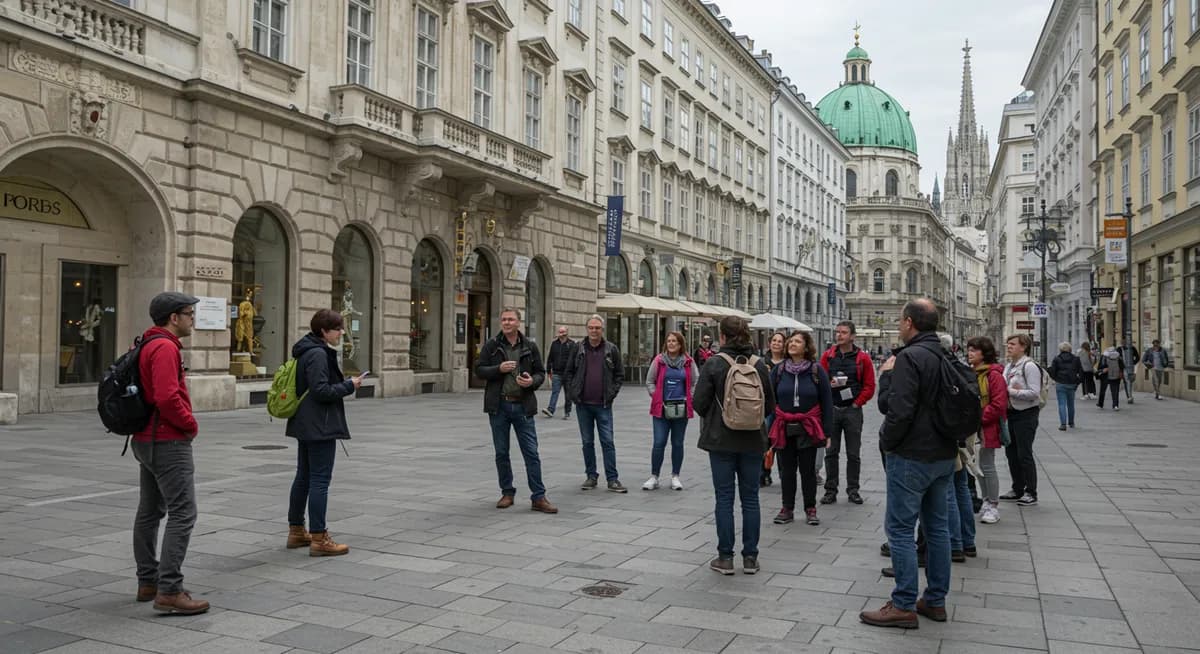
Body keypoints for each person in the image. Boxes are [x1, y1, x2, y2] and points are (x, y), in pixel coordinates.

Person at [860, 299, 956, 630]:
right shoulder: (946, 355)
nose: (900, 325)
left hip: (912, 454)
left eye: (902, 320)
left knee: (900, 529)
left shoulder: (908, 358)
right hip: (943, 454)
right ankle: (935, 600)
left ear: (909, 323)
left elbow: (894, 409)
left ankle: (902, 604)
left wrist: (888, 441)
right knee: (937, 528)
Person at [132, 292, 208, 615]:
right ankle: (169, 590)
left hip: (146, 438)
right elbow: (166, 397)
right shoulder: (165, 347)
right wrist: (189, 424)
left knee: (150, 511)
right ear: (173, 318)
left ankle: (148, 580)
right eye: (189, 314)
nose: (193, 319)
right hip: (167, 441)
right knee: (183, 513)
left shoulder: (147, 343)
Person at [694, 316, 776, 575]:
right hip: (753, 440)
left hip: (721, 440)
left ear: (722, 337)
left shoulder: (714, 364)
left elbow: (698, 403)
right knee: (751, 499)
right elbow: (771, 405)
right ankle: (750, 558)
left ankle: (725, 558)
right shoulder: (759, 365)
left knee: (725, 498)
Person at [286, 309, 365, 558]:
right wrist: (349, 385)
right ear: (324, 331)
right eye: (338, 328)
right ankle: (320, 537)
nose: (341, 332)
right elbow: (321, 390)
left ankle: (297, 530)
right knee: (320, 480)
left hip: (304, 422)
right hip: (320, 424)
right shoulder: (319, 354)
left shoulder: (306, 350)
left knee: (304, 477)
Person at [475, 308, 557, 514]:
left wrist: (532, 382)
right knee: (502, 452)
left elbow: (540, 372)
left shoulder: (529, 346)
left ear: (518, 323)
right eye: (503, 319)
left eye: (511, 319)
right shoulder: (492, 345)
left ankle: (538, 496)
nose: (506, 322)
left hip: (523, 406)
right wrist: (498, 369)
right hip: (499, 406)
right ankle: (507, 492)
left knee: (531, 452)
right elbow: (478, 369)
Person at [769, 330, 834, 526]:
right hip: (784, 426)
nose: (792, 344)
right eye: (792, 341)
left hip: (808, 426)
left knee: (808, 471)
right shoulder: (779, 371)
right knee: (786, 470)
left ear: (806, 347)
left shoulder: (816, 370)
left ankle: (810, 508)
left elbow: (826, 401)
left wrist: (828, 431)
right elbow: (771, 401)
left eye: (798, 341)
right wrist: (769, 428)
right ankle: (787, 508)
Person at [564, 314, 627, 492]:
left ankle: (612, 479)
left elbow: (619, 374)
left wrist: (612, 393)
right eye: (591, 327)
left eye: (597, 328)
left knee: (607, 441)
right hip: (583, 404)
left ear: (602, 330)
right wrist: (573, 393)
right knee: (587, 442)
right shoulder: (578, 348)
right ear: (587, 329)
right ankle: (591, 476)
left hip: (603, 404)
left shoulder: (610, 349)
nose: (594, 331)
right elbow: (568, 372)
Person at [818, 321, 876, 505]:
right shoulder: (828, 356)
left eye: (843, 332)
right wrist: (829, 385)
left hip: (852, 410)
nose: (839, 335)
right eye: (837, 332)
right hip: (833, 410)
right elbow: (819, 381)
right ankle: (830, 490)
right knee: (831, 452)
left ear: (852, 336)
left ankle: (853, 489)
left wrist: (858, 404)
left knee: (853, 453)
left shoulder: (862, 359)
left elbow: (869, 385)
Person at [643, 332, 700, 491]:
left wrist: (689, 397)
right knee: (659, 442)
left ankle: (675, 476)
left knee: (677, 443)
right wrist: (656, 396)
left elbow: (696, 381)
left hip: (680, 409)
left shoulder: (688, 362)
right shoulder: (659, 360)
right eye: (668, 341)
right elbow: (649, 381)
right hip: (661, 409)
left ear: (680, 344)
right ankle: (654, 476)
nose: (671, 343)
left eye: (674, 341)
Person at [968, 337, 1008, 525]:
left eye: (974, 350)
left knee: (988, 466)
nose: (970, 353)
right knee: (977, 468)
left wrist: (979, 417)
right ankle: (985, 500)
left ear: (984, 353)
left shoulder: (994, 375)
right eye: (969, 349)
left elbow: (999, 404)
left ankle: (993, 504)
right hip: (973, 428)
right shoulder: (972, 373)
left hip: (987, 427)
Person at [1000, 334, 1042, 507]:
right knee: (1011, 453)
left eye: (1012, 344)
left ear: (1023, 347)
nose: (1008, 346)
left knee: (1024, 453)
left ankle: (1031, 492)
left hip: (1026, 414)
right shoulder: (1009, 366)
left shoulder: (1029, 366)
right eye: (1008, 344)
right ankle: (1017, 488)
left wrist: (1011, 391)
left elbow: (1034, 392)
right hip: (1011, 413)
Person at [760, 332, 787, 487]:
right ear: (769, 344)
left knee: (782, 441)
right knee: (765, 440)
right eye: (774, 341)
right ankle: (764, 473)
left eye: (780, 341)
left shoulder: (788, 363)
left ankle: (784, 474)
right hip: (767, 406)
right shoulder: (763, 362)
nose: (776, 343)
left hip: (783, 407)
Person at [542, 326, 576, 419]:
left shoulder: (571, 344)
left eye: (563, 332)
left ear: (566, 333)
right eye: (559, 331)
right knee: (555, 392)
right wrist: (548, 370)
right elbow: (550, 358)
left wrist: (573, 372)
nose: (561, 333)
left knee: (568, 394)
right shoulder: (554, 344)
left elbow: (573, 359)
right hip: (557, 373)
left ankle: (567, 412)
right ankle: (550, 410)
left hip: (568, 374)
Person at [1048, 342, 1083, 430]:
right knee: (1071, 404)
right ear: (1070, 349)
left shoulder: (1057, 359)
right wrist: (1077, 382)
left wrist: (1056, 379)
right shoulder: (1076, 359)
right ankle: (1071, 422)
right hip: (1072, 383)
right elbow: (1081, 372)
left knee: (1062, 404)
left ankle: (1063, 424)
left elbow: (1052, 372)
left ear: (1060, 349)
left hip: (1061, 383)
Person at [1096, 343, 1124, 411]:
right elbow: (1122, 366)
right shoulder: (1118, 356)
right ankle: (1115, 405)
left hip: (1105, 375)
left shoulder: (1104, 356)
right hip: (1116, 375)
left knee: (1103, 390)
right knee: (1115, 391)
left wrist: (1102, 370)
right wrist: (1121, 373)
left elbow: (1100, 366)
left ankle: (1100, 403)